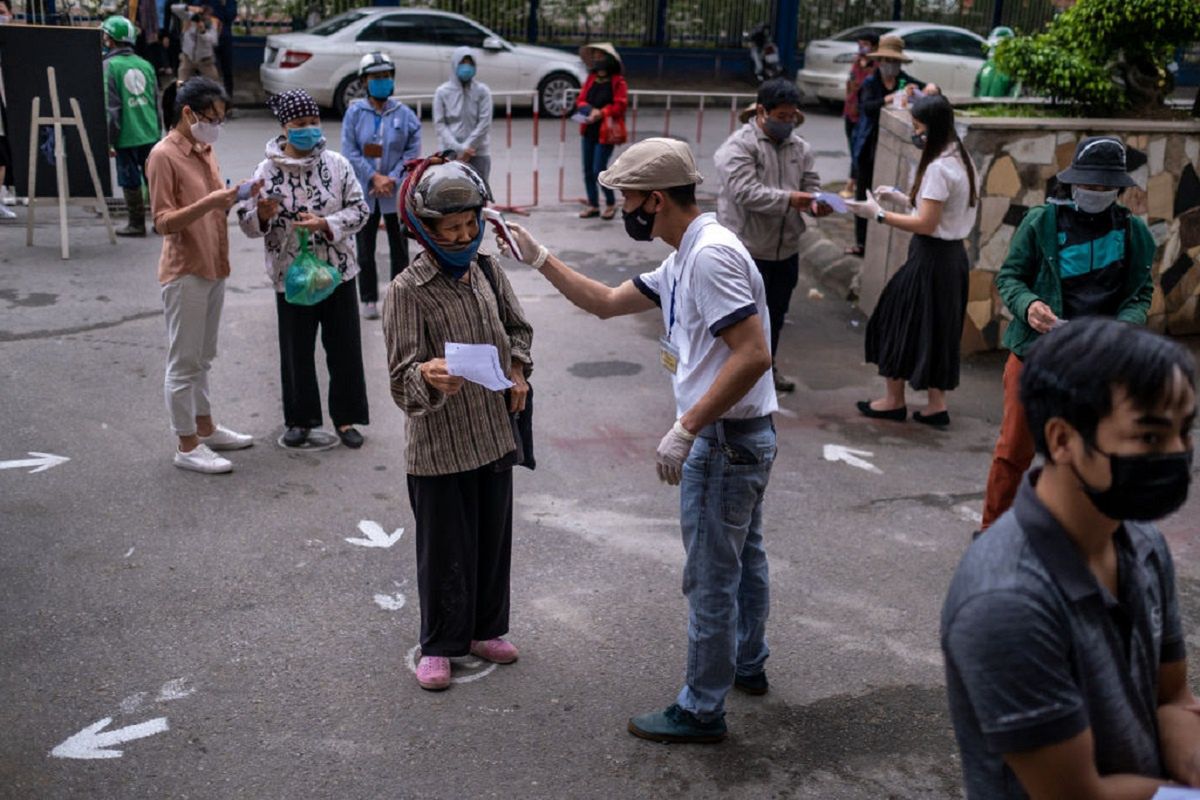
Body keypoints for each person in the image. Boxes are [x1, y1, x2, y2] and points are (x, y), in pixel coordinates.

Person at [501, 138, 777, 744]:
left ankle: (702, 709)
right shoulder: (683, 256)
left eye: (626, 197)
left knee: (710, 576)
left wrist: (687, 426)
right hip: (740, 439)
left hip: (727, 441)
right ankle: (747, 665)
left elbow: (753, 353)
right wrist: (540, 256)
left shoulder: (709, 258)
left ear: (655, 199)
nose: (622, 207)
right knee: (742, 559)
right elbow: (603, 303)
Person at [941, 317, 1200, 798]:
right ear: (1062, 440)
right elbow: (1077, 795)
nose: (1178, 454)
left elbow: (1171, 697)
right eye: (1149, 437)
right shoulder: (1007, 602)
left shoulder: (1140, 539)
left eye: (1185, 433)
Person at [382, 159, 533, 692]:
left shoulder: (489, 270)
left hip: (493, 434)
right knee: (445, 550)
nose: (464, 236)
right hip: (439, 445)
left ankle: (485, 628)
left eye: (470, 225)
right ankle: (441, 643)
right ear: (425, 230)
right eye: (452, 229)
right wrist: (428, 373)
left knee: (492, 543)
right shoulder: (407, 290)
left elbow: (519, 329)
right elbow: (401, 379)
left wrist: (517, 368)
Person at [979, 136, 1155, 530]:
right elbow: (1010, 277)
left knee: (1084, 458)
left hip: (1097, 365)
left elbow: (1141, 293)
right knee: (1013, 452)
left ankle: (1070, 539)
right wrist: (1028, 305)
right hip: (1035, 358)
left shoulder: (1134, 234)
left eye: (1103, 187)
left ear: (1118, 190)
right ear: (1073, 182)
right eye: (1088, 184)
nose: (1094, 192)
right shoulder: (1042, 222)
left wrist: (1124, 326)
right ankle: (991, 534)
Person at [238, 89, 371, 450]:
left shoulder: (338, 165)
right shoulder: (265, 172)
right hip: (290, 275)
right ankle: (300, 420)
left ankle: (346, 418)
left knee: (343, 347)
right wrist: (262, 215)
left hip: (338, 271)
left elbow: (361, 211)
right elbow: (247, 225)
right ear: (285, 127)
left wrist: (326, 224)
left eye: (313, 122)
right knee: (296, 350)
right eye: (301, 124)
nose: (310, 130)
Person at [145, 77, 254, 473]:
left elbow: (215, 205)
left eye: (222, 119)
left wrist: (235, 197)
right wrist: (210, 202)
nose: (217, 126)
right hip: (185, 270)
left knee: (203, 357)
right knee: (184, 362)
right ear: (188, 113)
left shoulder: (205, 148)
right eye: (213, 118)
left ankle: (205, 426)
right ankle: (186, 444)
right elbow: (163, 222)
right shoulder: (163, 156)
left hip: (214, 263)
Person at [847, 94, 977, 426]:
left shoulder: (937, 167)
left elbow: (927, 224)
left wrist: (878, 215)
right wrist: (903, 198)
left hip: (930, 258)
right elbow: (939, 211)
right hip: (952, 259)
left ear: (931, 129)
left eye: (918, 128)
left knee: (894, 319)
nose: (915, 134)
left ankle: (893, 400)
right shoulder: (962, 158)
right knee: (938, 328)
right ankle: (936, 405)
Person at [714, 78, 831, 394]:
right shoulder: (738, 147)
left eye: (792, 116)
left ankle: (765, 370)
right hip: (746, 249)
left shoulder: (800, 147)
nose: (788, 123)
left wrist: (817, 201)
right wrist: (791, 199)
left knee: (775, 316)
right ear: (762, 112)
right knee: (738, 320)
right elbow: (745, 192)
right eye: (781, 117)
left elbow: (811, 183)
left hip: (785, 249)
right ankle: (727, 379)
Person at [341, 52, 421, 320]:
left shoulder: (405, 115)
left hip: (394, 193)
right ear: (365, 81)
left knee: (400, 248)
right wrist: (373, 177)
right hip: (365, 192)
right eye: (376, 77)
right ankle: (368, 298)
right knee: (365, 249)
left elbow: (412, 152)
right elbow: (350, 151)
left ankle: (400, 295)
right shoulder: (354, 113)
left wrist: (393, 177)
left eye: (386, 76)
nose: (382, 81)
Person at [847, 35, 938, 257]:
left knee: (888, 193)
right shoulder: (870, 83)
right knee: (864, 190)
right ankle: (861, 241)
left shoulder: (905, 81)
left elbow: (928, 91)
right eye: (886, 60)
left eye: (894, 61)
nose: (890, 65)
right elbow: (866, 108)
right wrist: (888, 99)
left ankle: (882, 241)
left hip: (894, 148)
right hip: (870, 145)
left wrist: (931, 88)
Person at [102, 14, 161, 237]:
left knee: (130, 179)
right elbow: (156, 102)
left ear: (110, 39)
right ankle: (161, 221)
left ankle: (136, 223)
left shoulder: (109, 66)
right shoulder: (146, 65)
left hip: (126, 135)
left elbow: (112, 108)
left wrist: (109, 140)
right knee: (153, 178)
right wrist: (158, 132)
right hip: (150, 132)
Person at [576, 42, 628, 220]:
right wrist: (589, 110)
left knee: (599, 169)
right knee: (587, 169)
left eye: (601, 56)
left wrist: (602, 113)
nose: (597, 59)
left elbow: (620, 105)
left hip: (607, 131)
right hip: (588, 128)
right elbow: (581, 100)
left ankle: (611, 203)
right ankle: (593, 205)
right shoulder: (591, 79)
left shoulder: (618, 82)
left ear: (609, 59)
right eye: (595, 56)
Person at [433, 47, 493, 185]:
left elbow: (484, 123)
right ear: (455, 64)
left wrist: (468, 147)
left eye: (470, 63)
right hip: (449, 154)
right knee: (451, 195)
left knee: (478, 195)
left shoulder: (482, 91)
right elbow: (440, 124)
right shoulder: (442, 92)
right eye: (462, 63)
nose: (466, 67)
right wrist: (458, 149)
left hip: (478, 153)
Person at [840, 31, 878, 199]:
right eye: (860, 43)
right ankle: (853, 181)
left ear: (874, 46)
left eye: (865, 44)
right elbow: (850, 84)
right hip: (850, 110)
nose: (862, 47)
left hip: (864, 115)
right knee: (852, 146)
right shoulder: (857, 62)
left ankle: (852, 183)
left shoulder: (876, 67)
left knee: (859, 148)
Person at [171, 4, 220, 82]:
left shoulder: (212, 24)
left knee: (214, 83)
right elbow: (173, 8)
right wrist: (188, 8)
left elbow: (214, 41)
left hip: (205, 60)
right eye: (202, 14)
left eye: (207, 15)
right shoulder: (190, 18)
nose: (203, 18)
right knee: (181, 83)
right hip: (188, 57)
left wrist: (203, 32)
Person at [210, 0, 236, 108]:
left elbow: (230, 16)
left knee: (227, 70)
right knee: (210, 70)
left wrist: (223, 4)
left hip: (225, 38)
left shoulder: (229, 2)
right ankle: (211, 101)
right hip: (209, 39)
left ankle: (228, 102)